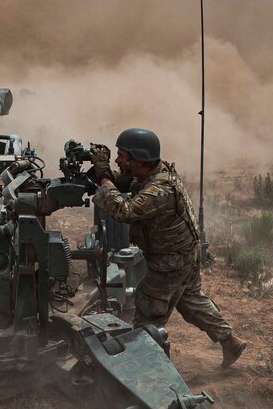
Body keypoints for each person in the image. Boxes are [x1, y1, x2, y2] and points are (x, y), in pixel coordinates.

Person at [91, 128, 248, 368]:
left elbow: (125, 211)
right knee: (191, 301)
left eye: (122, 156)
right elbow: (124, 181)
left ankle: (156, 371)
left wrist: (104, 180)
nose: (117, 160)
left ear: (138, 160)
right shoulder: (153, 172)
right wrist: (104, 174)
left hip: (170, 260)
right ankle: (230, 342)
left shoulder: (158, 190)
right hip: (186, 252)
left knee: (147, 314)